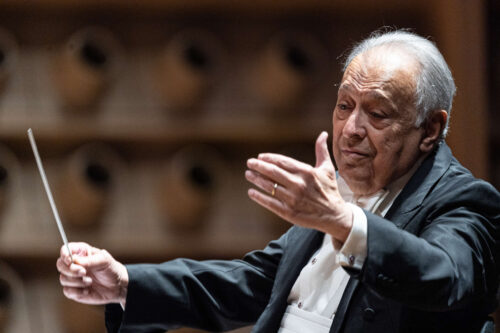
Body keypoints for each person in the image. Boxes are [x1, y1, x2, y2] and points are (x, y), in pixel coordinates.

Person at [56, 29, 500, 333]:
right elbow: (256, 281)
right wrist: (124, 284)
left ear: (429, 130)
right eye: (345, 106)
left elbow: (444, 276)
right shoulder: (338, 190)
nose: (351, 129)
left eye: (377, 113)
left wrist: (343, 221)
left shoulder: (465, 201)